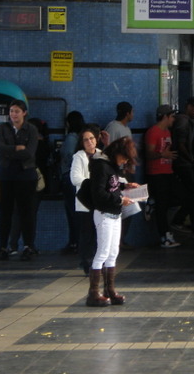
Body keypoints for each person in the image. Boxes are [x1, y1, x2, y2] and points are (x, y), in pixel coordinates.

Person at [86, 137, 140, 307]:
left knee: (113, 252)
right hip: (104, 213)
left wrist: (125, 187)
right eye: (124, 157)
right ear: (116, 153)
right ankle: (93, 292)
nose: (124, 161)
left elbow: (113, 186)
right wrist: (120, 200)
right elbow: (99, 194)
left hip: (114, 214)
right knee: (102, 252)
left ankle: (110, 289)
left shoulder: (111, 166)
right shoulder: (101, 166)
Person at [0, 99, 39, 261]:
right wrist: (16, 148)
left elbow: (29, 153)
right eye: (11, 111)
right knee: (5, 212)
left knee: (27, 211)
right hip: (5, 175)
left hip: (26, 175)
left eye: (17, 111)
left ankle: (28, 245)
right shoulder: (2, 128)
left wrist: (9, 151)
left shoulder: (31, 129)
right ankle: (3, 246)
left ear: (24, 113)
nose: (14, 114)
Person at [144, 105, 180, 248]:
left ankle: (152, 202)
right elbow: (149, 154)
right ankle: (164, 235)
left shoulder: (167, 132)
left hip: (168, 171)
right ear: (165, 116)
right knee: (162, 206)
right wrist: (162, 155)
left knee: (176, 199)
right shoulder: (153, 132)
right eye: (172, 116)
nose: (174, 119)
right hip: (156, 173)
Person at [70, 125, 104, 274]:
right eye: (86, 140)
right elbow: (75, 178)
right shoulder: (79, 157)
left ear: (96, 140)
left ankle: (99, 262)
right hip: (85, 202)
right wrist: (93, 184)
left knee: (100, 233)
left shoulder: (102, 155)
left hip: (100, 201)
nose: (89, 142)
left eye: (91, 138)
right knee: (87, 233)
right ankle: (86, 262)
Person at [171, 97, 194, 238]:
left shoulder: (186, 121)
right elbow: (181, 144)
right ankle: (179, 220)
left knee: (192, 193)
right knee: (193, 194)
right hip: (182, 164)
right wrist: (190, 159)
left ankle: (183, 220)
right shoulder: (183, 121)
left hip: (183, 163)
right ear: (188, 107)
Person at [59, 110, 85, 256]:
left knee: (72, 212)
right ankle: (76, 241)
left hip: (68, 177)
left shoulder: (70, 138)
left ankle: (74, 242)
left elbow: (68, 156)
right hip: (76, 178)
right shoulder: (80, 138)